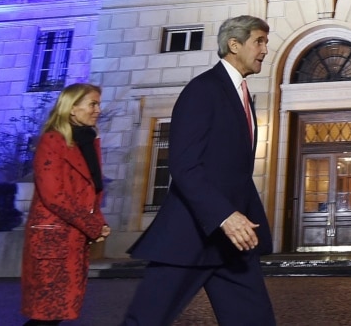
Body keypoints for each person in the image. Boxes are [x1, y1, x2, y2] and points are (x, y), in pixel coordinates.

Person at [123, 16, 275, 326]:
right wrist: (224, 215)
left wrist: (238, 217)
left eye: (265, 43)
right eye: (259, 41)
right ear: (234, 44)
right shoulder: (203, 90)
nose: (264, 49)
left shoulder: (241, 93)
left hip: (233, 241)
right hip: (190, 236)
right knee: (145, 321)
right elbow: (183, 165)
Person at [21, 83, 110, 326]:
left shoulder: (88, 143)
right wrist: (92, 225)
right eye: (93, 104)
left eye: (98, 104)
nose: (98, 110)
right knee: (45, 316)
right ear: (72, 109)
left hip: (73, 239)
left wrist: (99, 222)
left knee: (54, 314)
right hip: (53, 240)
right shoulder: (52, 141)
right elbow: (54, 195)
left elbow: (90, 192)